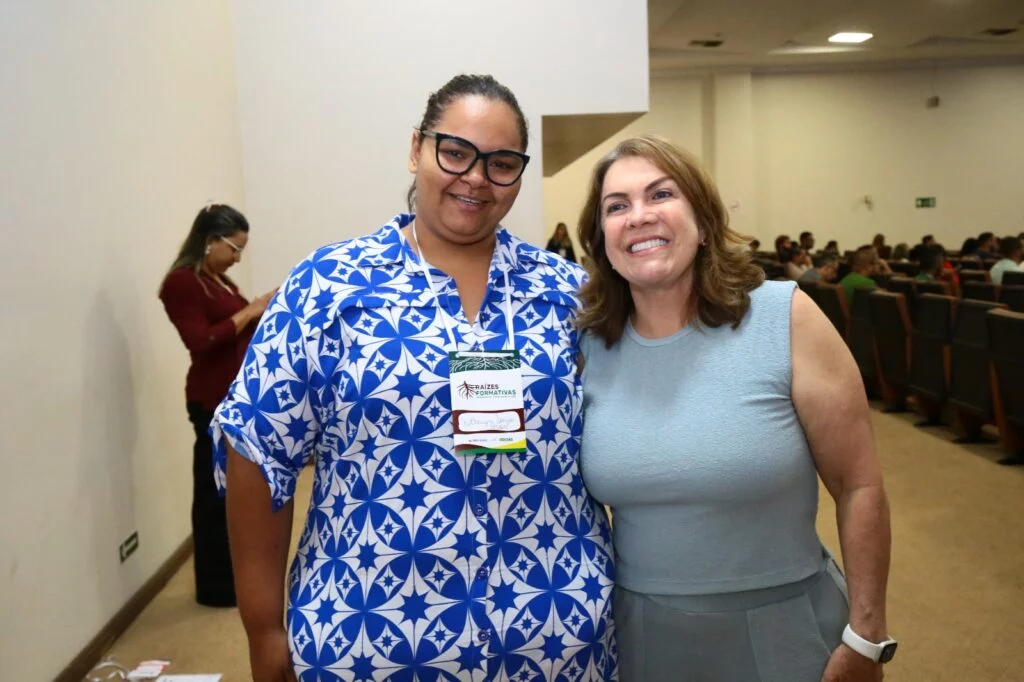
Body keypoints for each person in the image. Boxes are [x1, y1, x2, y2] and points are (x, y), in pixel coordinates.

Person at [212, 74, 616, 681]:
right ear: (416, 149)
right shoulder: (330, 286)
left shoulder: (566, 294)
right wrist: (264, 632)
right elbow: (256, 448)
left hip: (557, 639)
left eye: (501, 163)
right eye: (455, 152)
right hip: (370, 642)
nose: (476, 177)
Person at [575, 135, 895, 681]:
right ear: (602, 237)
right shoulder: (589, 346)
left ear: (703, 222)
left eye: (661, 194)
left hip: (787, 626)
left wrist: (867, 635)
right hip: (640, 636)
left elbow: (858, 485)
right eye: (617, 205)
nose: (639, 216)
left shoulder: (784, 316)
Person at [159, 203, 276, 607]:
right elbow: (202, 340)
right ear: (211, 241)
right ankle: (216, 587)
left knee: (232, 494)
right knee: (213, 496)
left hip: (232, 397)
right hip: (210, 399)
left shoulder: (218, 281)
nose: (237, 258)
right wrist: (251, 310)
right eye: (235, 248)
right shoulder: (181, 284)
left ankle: (235, 580)